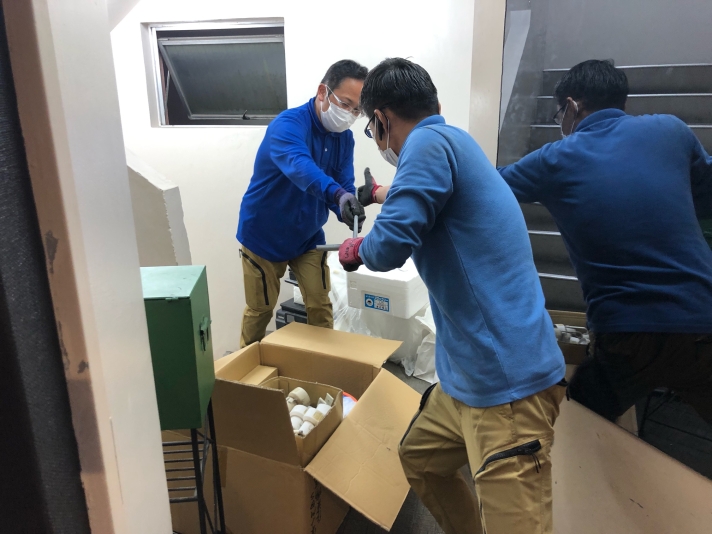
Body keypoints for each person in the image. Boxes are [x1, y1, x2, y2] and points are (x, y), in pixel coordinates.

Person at [339, 58, 566, 534]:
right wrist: (377, 193)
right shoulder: (454, 141)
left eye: (373, 130)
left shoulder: (425, 145)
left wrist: (357, 249)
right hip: (468, 375)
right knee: (420, 460)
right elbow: (426, 193)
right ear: (435, 104)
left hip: (506, 386)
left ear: (380, 119)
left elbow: (390, 245)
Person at [497, 59, 712, 426]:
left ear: (572, 106)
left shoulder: (555, 158)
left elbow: (486, 187)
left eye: (559, 114)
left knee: (581, 427)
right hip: (703, 321)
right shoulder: (671, 129)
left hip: (628, 333)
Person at [236, 60, 367, 348]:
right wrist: (337, 195)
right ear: (322, 92)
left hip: (307, 235)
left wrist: (347, 206)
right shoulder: (287, 125)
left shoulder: (345, 139)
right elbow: (300, 167)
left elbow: (343, 182)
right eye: (345, 104)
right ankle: (242, 369)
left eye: (357, 110)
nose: (349, 115)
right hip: (263, 235)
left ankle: (324, 364)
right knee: (260, 310)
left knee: (320, 306)